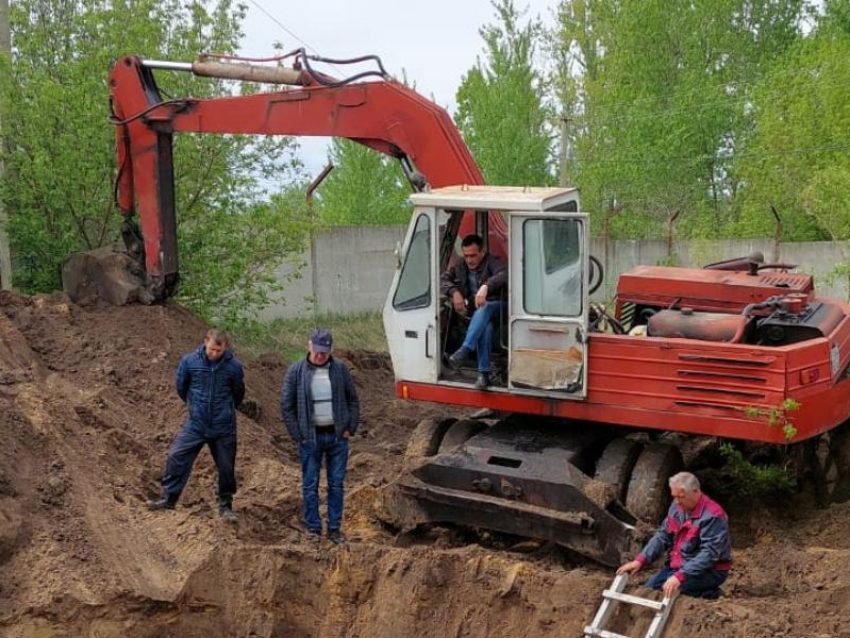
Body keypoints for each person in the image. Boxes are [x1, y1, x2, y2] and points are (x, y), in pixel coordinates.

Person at [147, 329, 245, 524]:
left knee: (226, 467)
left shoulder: (234, 367)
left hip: (223, 426)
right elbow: (181, 387)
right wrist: (195, 406)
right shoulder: (189, 362)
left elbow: (238, 394)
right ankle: (169, 498)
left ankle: (225, 505)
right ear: (205, 343)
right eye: (211, 349)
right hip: (196, 423)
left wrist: (224, 410)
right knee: (177, 456)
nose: (215, 354)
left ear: (225, 348)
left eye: (219, 350)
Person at [280, 328, 359, 544]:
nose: (320, 355)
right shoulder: (296, 371)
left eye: (324, 351)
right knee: (310, 484)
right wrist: (299, 435)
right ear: (309, 346)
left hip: (336, 438)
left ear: (331, 350)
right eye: (317, 350)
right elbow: (286, 406)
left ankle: (334, 529)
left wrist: (349, 428)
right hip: (310, 439)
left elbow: (353, 399)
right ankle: (313, 528)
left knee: (336, 484)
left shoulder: (340, 370)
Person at [617, 471, 732, 599]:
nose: (677, 501)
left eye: (681, 497)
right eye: (674, 496)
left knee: (672, 593)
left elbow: (709, 554)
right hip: (678, 566)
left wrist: (680, 576)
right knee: (648, 590)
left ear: (696, 491)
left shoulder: (713, 516)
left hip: (709, 571)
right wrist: (640, 560)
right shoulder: (677, 507)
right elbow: (663, 536)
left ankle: (710, 593)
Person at [440, 234, 508, 389]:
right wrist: (454, 292)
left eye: (473, 255)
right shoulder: (460, 266)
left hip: (499, 308)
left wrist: (486, 286)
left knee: (486, 308)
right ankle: (483, 375)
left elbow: (505, 274)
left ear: (482, 252)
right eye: (466, 256)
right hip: (479, 314)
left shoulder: (492, 262)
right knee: (486, 327)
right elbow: (443, 279)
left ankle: (465, 349)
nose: (469, 260)